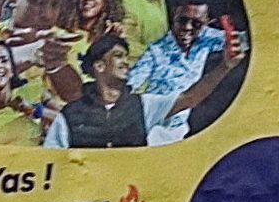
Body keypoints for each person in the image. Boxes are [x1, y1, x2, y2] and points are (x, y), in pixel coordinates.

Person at [47, 28, 240, 147]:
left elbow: (190, 98)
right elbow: (55, 162)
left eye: (126, 57)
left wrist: (224, 67)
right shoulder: (70, 115)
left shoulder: (142, 105)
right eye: (118, 56)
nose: (126, 63)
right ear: (99, 66)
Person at [124, 0, 231, 142]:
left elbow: (249, 41)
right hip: (156, 128)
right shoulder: (156, 51)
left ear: (206, 22)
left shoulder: (206, 38)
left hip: (183, 129)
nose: (187, 27)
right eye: (182, 20)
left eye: (196, 23)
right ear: (174, 15)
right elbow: (130, 84)